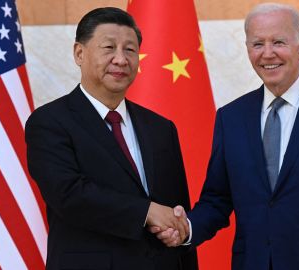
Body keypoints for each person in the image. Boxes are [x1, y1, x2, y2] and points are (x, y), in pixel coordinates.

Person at [152, 3, 299, 270]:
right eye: (257, 44)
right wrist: (185, 228)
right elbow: (217, 199)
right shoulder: (231, 117)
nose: (267, 54)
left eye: (279, 42)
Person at [25, 7, 197, 270]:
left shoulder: (161, 128)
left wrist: (179, 233)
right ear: (79, 53)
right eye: (109, 47)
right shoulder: (49, 122)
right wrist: (146, 212)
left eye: (130, 50)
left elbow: (177, 210)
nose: (121, 59)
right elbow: (68, 196)